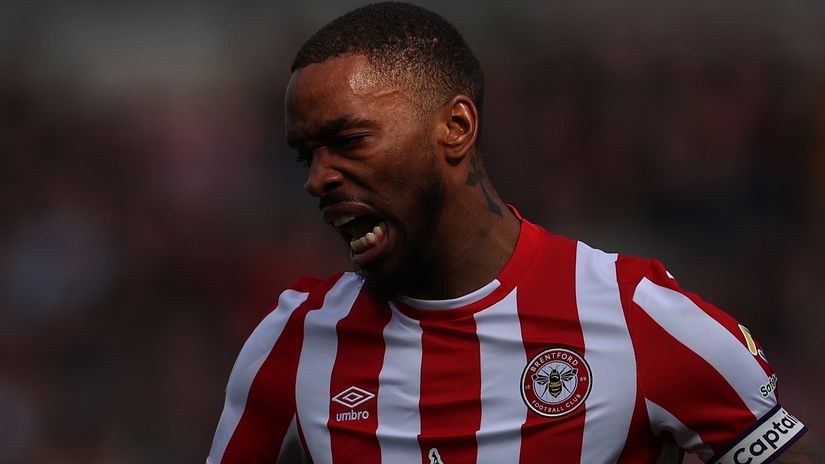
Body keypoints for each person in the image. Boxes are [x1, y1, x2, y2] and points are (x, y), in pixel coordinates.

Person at [207, 3, 822, 463]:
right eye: (306, 156)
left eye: (348, 141)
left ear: (455, 127)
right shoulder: (292, 344)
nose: (317, 179)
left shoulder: (639, 318)